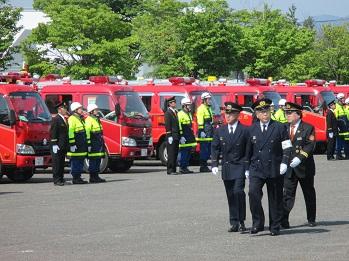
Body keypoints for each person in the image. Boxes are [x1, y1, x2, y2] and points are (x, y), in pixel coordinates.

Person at [246, 98, 292, 236]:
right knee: (253, 194)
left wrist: (284, 162)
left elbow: (287, 147)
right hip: (257, 168)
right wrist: (246, 168)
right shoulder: (252, 129)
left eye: (266, 110)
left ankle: (275, 225)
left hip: (274, 167)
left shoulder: (279, 127)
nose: (264, 113)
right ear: (257, 114)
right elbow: (248, 150)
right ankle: (257, 223)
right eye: (261, 111)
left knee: (275, 198)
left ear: (270, 111)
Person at [211, 102, 249, 233]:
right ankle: (234, 222)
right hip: (227, 167)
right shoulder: (220, 130)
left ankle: (241, 220)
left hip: (239, 166)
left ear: (237, 115)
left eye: (231, 113)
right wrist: (214, 164)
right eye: (226, 113)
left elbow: (248, 149)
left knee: (238, 192)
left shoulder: (244, 130)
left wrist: (248, 167)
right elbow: (215, 147)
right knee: (230, 195)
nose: (227, 116)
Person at [282, 102, 317, 228]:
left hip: (304, 167)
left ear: (298, 114)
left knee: (308, 193)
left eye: (290, 112)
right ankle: (284, 219)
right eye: (286, 112)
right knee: (287, 195)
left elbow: (310, 145)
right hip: (289, 168)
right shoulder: (284, 127)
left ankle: (311, 218)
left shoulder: (308, 127)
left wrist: (300, 157)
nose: (287, 115)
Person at [67, 102, 88, 184]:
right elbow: (70, 132)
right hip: (76, 145)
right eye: (80, 108)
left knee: (80, 161)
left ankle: (78, 177)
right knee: (75, 162)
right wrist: (72, 144)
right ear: (75, 110)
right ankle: (75, 178)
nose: (82, 110)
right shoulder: (72, 119)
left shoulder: (80, 118)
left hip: (81, 144)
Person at [85, 104, 106, 183]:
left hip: (98, 142)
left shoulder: (96, 119)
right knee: (93, 161)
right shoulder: (89, 120)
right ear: (91, 111)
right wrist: (89, 144)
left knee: (97, 160)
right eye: (96, 110)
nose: (97, 111)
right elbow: (87, 133)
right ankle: (92, 177)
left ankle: (96, 176)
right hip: (93, 143)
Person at [50, 102, 69, 186]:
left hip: (62, 145)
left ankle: (61, 178)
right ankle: (56, 180)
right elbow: (53, 132)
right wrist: (54, 143)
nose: (66, 110)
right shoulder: (56, 119)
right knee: (57, 163)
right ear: (59, 109)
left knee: (61, 163)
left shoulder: (63, 119)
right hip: (57, 145)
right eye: (64, 108)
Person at [177, 98, 197, 174]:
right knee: (184, 152)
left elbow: (190, 125)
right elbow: (179, 125)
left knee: (188, 151)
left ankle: (185, 167)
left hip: (189, 134)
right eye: (188, 105)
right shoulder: (180, 114)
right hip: (184, 135)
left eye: (189, 105)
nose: (189, 106)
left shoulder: (188, 113)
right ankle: (182, 167)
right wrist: (181, 135)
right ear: (184, 105)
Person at [196, 92, 214, 172]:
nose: (209, 100)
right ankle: (203, 166)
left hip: (209, 130)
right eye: (208, 99)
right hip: (204, 131)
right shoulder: (201, 108)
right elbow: (200, 121)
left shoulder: (208, 107)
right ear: (204, 100)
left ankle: (205, 164)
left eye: (210, 99)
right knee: (204, 149)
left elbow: (210, 120)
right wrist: (201, 131)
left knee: (209, 149)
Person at [164, 96, 180, 175]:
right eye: (173, 102)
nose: (175, 103)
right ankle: (170, 170)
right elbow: (168, 125)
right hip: (171, 135)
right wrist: (169, 135)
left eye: (175, 102)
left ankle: (174, 169)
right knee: (171, 153)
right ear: (170, 104)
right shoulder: (168, 113)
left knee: (175, 153)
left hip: (176, 135)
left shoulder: (175, 112)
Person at [334, 93, 349, 159]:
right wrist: (337, 127)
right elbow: (335, 119)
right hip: (340, 129)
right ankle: (338, 155)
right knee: (339, 142)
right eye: (342, 98)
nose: (344, 99)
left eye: (344, 98)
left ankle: (346, 155)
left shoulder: (343, 107)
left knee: (346, 142)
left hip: (345, 129)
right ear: (339, 99)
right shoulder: (337, 107)